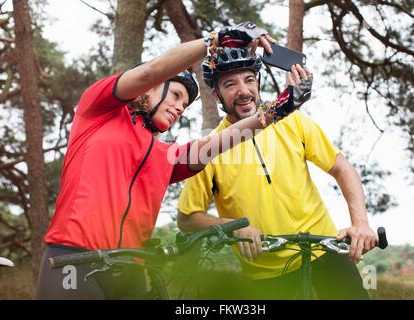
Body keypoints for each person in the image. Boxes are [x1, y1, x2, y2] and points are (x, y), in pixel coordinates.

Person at [36, 21, 300, 300]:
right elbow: (151, 71)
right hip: (75, 257)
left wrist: (279, 109)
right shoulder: (98, 111)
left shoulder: (164, 155)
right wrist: (216, 39)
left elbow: (215, 144)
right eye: (175, 95)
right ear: (147, 90)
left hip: (131, 269)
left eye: (184, 104)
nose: (179, 107)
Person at [177, 46, 378, 299]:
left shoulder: (292, 120)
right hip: (266, 272)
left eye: (249, 80)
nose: (244, 91)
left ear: (258, 83)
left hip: (323, 249)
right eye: (230, 84)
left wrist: (360, 223)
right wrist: (230, 226)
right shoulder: (210, 148)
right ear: (216, 96)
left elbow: (341, 167)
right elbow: (186, 219)